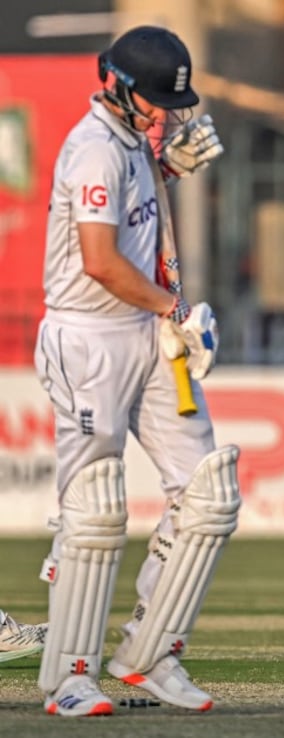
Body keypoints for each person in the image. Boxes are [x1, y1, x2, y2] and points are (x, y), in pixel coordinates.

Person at [35, 25, 236, 716]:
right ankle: (69, 678)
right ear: (116, 85)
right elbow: (99, 260)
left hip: (148, 332)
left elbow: (138, 224)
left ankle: (150, 653)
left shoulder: (134, 146)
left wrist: (167, 170)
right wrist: (174, 307)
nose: (166, 113)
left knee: (208, 494)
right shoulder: (93, 148)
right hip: (90, 338)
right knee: (94, 509)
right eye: (153, 100)